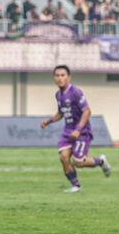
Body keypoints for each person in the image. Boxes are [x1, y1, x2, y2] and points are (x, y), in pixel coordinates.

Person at [40, 65, 111, 193]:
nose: (60, 78)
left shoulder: (76, 92)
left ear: (69, 77)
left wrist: (78, 129)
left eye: (63, 75)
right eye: (57, 76)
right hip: (68, 131)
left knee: (78, 162)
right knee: (63, 157)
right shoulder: (58, 95)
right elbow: (61, 113)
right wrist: (49, 121)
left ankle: (100, 161)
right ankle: (76, 186)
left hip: (82, 132)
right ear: (54, 78)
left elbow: (87, 111)